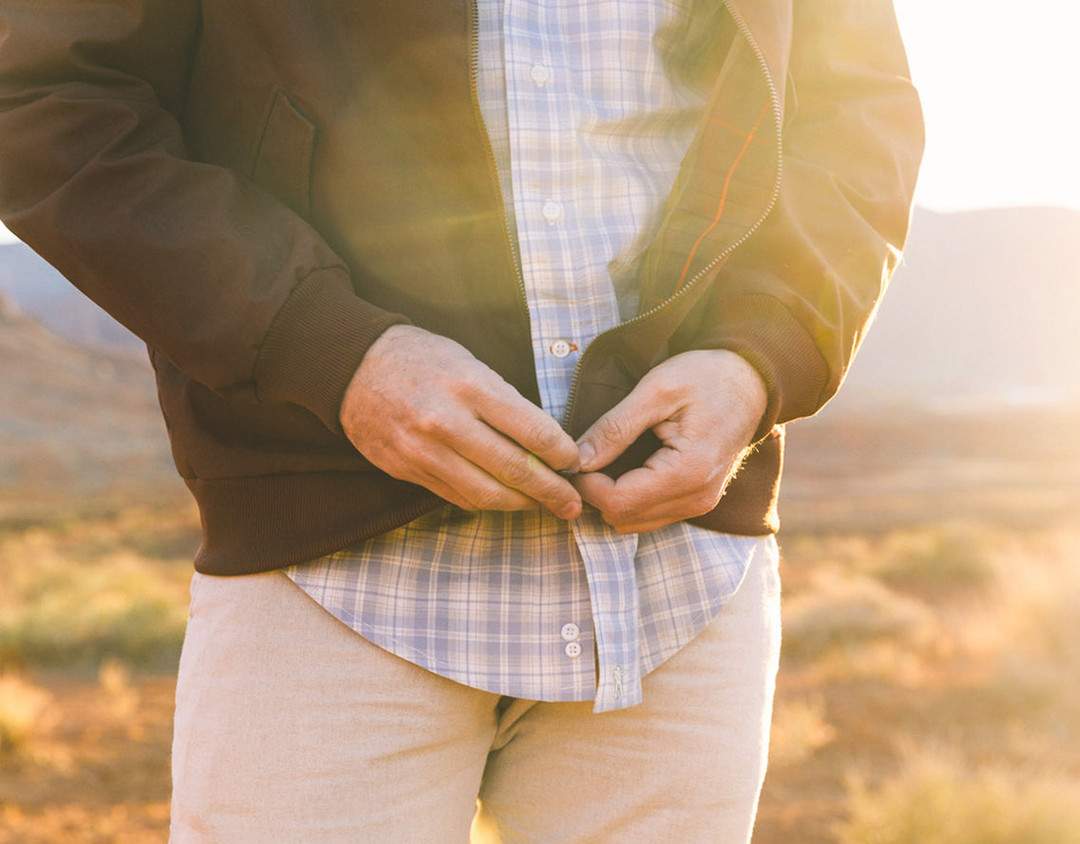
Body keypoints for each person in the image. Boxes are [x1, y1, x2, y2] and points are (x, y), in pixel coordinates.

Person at [0, 0, 923, 840]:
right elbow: (44, 96)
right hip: (333, 567)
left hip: (681, 580)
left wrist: (758, 357)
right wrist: (327, 348)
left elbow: (856, 111)